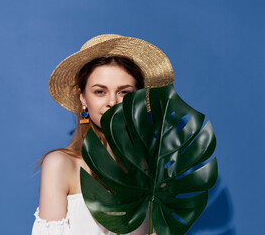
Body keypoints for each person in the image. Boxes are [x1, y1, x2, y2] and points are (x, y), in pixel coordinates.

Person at [32, 34, 174, 235]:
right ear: (83, 97)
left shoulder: (153, 172)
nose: (112, 102)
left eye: (124, 92)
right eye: (100, 91)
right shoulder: (62, 164)